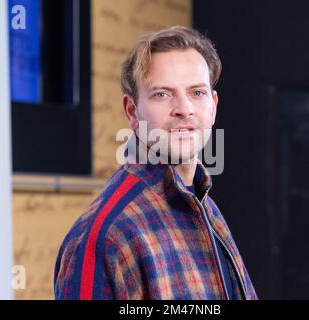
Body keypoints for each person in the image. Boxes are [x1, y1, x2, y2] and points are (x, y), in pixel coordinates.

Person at [54, 25, 257, 300]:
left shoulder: (204, 205)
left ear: (213, 106)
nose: (184, 108)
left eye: (197, 92)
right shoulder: (104, 236)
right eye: (162, 94)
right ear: (132, 111)